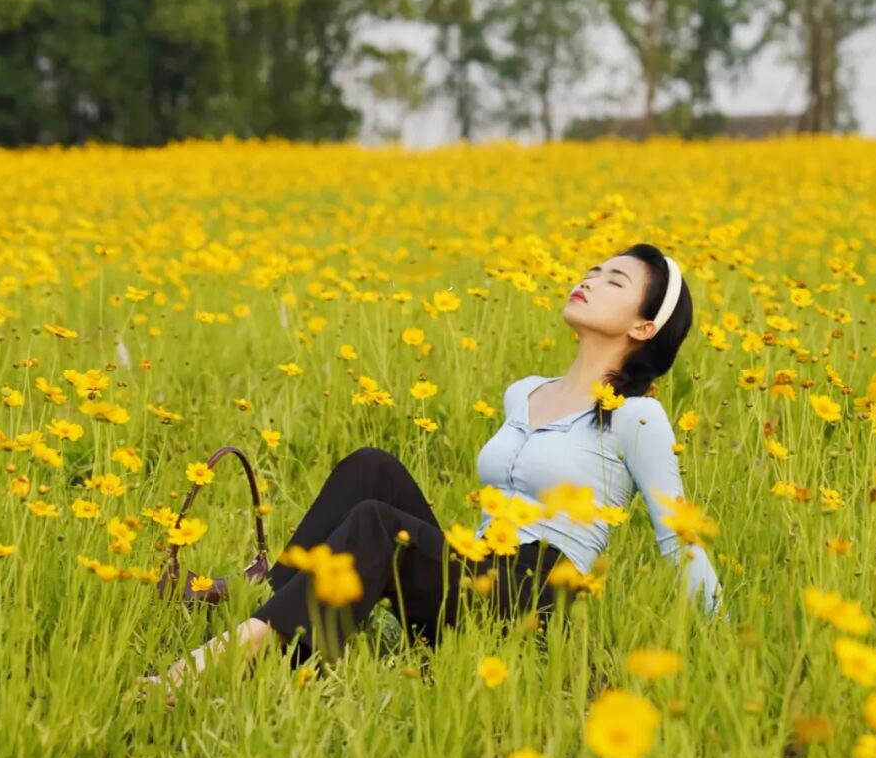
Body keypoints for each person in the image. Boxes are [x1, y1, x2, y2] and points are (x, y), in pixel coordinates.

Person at [140, 243, 722, 701]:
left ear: (643, 328)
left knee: (375, 523)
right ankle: (273, 618)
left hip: (540, 592)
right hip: (479, 570)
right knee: (372, 470)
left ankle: (219, 661)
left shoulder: (636, 416)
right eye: (594, 269)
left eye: (614, 281)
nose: (590, 279)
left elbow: (680, 537)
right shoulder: (524, 393)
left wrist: (718, 648)